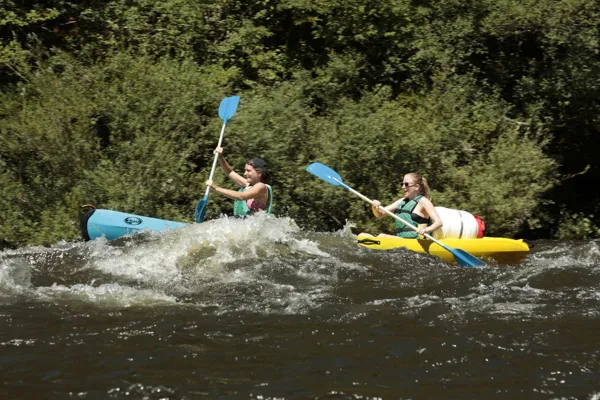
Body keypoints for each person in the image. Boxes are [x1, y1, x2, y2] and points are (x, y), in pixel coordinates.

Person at [360, 172, 442, 238]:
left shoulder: (423, 201)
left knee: (382, 236)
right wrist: (374, 207)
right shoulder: (401, 202)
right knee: (362, 235)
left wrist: (426, 230)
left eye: (406, 184)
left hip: (416, 241)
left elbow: (438, 222)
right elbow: (380, 214)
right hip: (401, 240)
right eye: (402, 184)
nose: (403, 187)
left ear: (416, 187)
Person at [205, 147, 273, 217]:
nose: (245, 174)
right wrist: (220, 157)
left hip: (257, 227)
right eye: (245, 170)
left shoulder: (261, 187)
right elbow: (230, 172)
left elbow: (241, 196)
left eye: (248, 171)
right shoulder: (249, 185)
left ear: (259, 173)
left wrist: (217, 188)